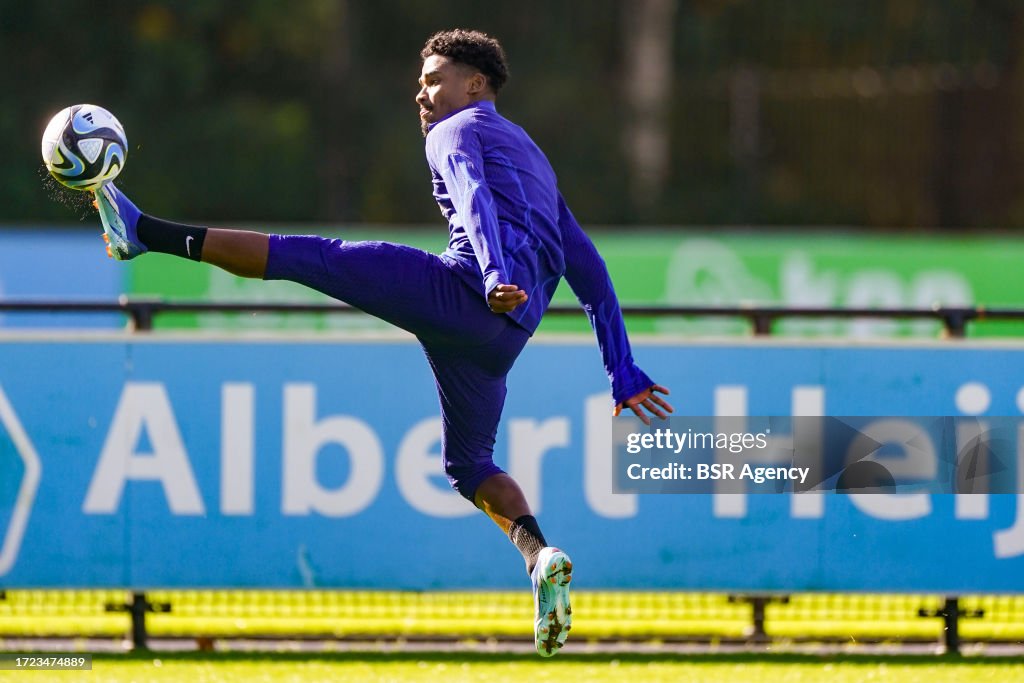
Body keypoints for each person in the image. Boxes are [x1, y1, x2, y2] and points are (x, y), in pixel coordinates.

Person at [92, 28, 672, 657]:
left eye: (433, 80)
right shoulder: (537, 160)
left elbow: (475, 198)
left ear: (474, 84)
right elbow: (590, 272)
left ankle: (143, 232)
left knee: (310, 257)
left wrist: (493, 272)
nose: (421, 95)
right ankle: (540, 557)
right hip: (503, 339)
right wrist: (622, 369)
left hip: (465, 294)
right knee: (468, 465)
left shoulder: (456, 130)